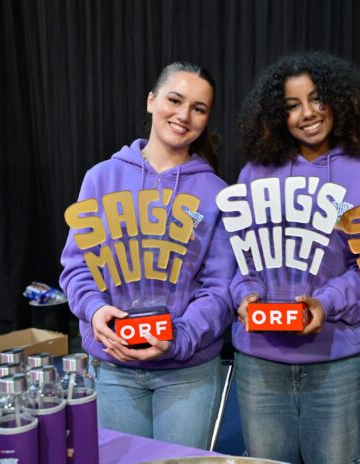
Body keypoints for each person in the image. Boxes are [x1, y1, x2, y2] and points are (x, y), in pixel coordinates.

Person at [59, 61, 234, 448]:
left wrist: (180, 338)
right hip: (114, 367)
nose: (183, 115)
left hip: (186, 371)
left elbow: (220, 288)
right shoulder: (101, 178)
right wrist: (95, 310)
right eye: (175, 100)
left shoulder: (216, 192)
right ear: (151, 101)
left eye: (198, 108)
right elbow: (77, 267)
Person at [228, 52, 360, 464]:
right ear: (276, 115)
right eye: (292, 105)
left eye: (317, 99)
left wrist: (325, 303)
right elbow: (241, 262)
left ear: (338, 100)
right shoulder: (255, 172)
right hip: (261, 361)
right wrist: (245, 297)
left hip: (338, 362)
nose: (308, 113)